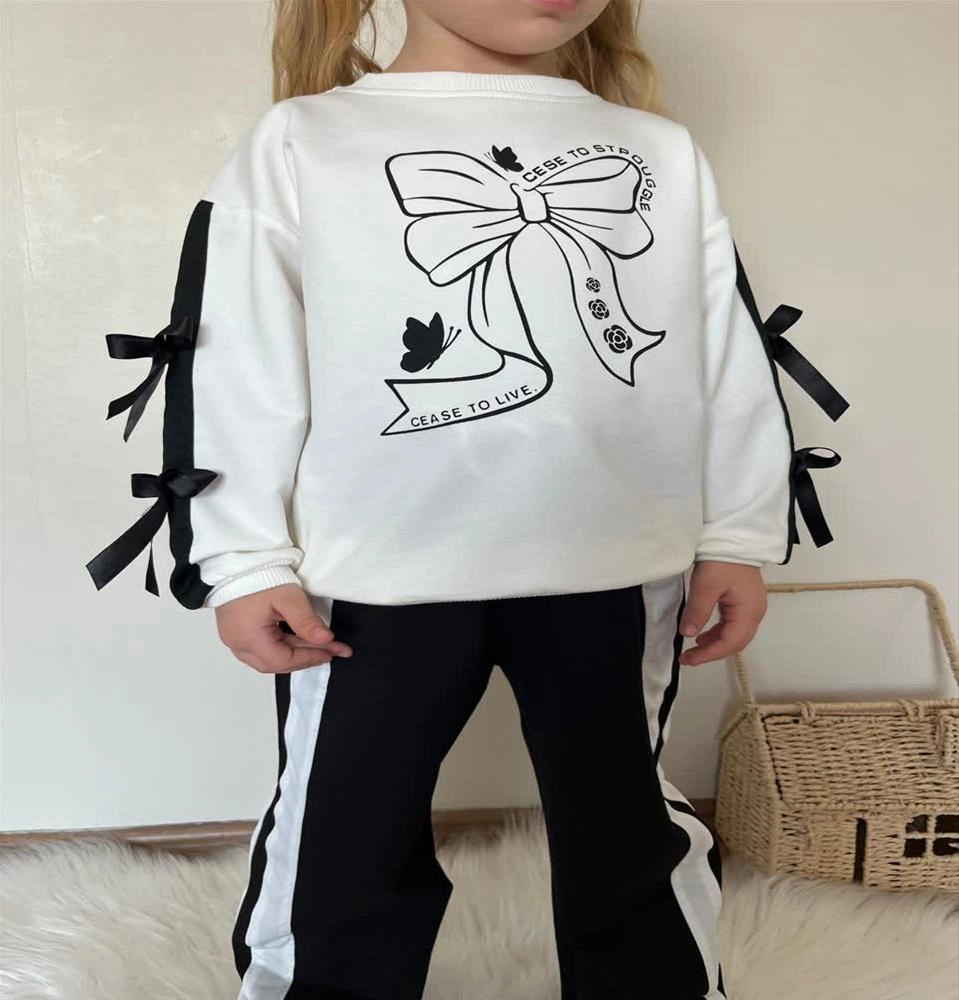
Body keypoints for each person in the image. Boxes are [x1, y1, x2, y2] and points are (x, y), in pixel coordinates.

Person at [87, 0, 848, 997]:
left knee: (622, 825)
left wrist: (738, 531)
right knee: (345, 833)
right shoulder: (305, 141)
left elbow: (726, 351)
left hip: (617, 564)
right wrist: (242, 557)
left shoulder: (655, 151)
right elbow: (236, 354)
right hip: (372, 575)